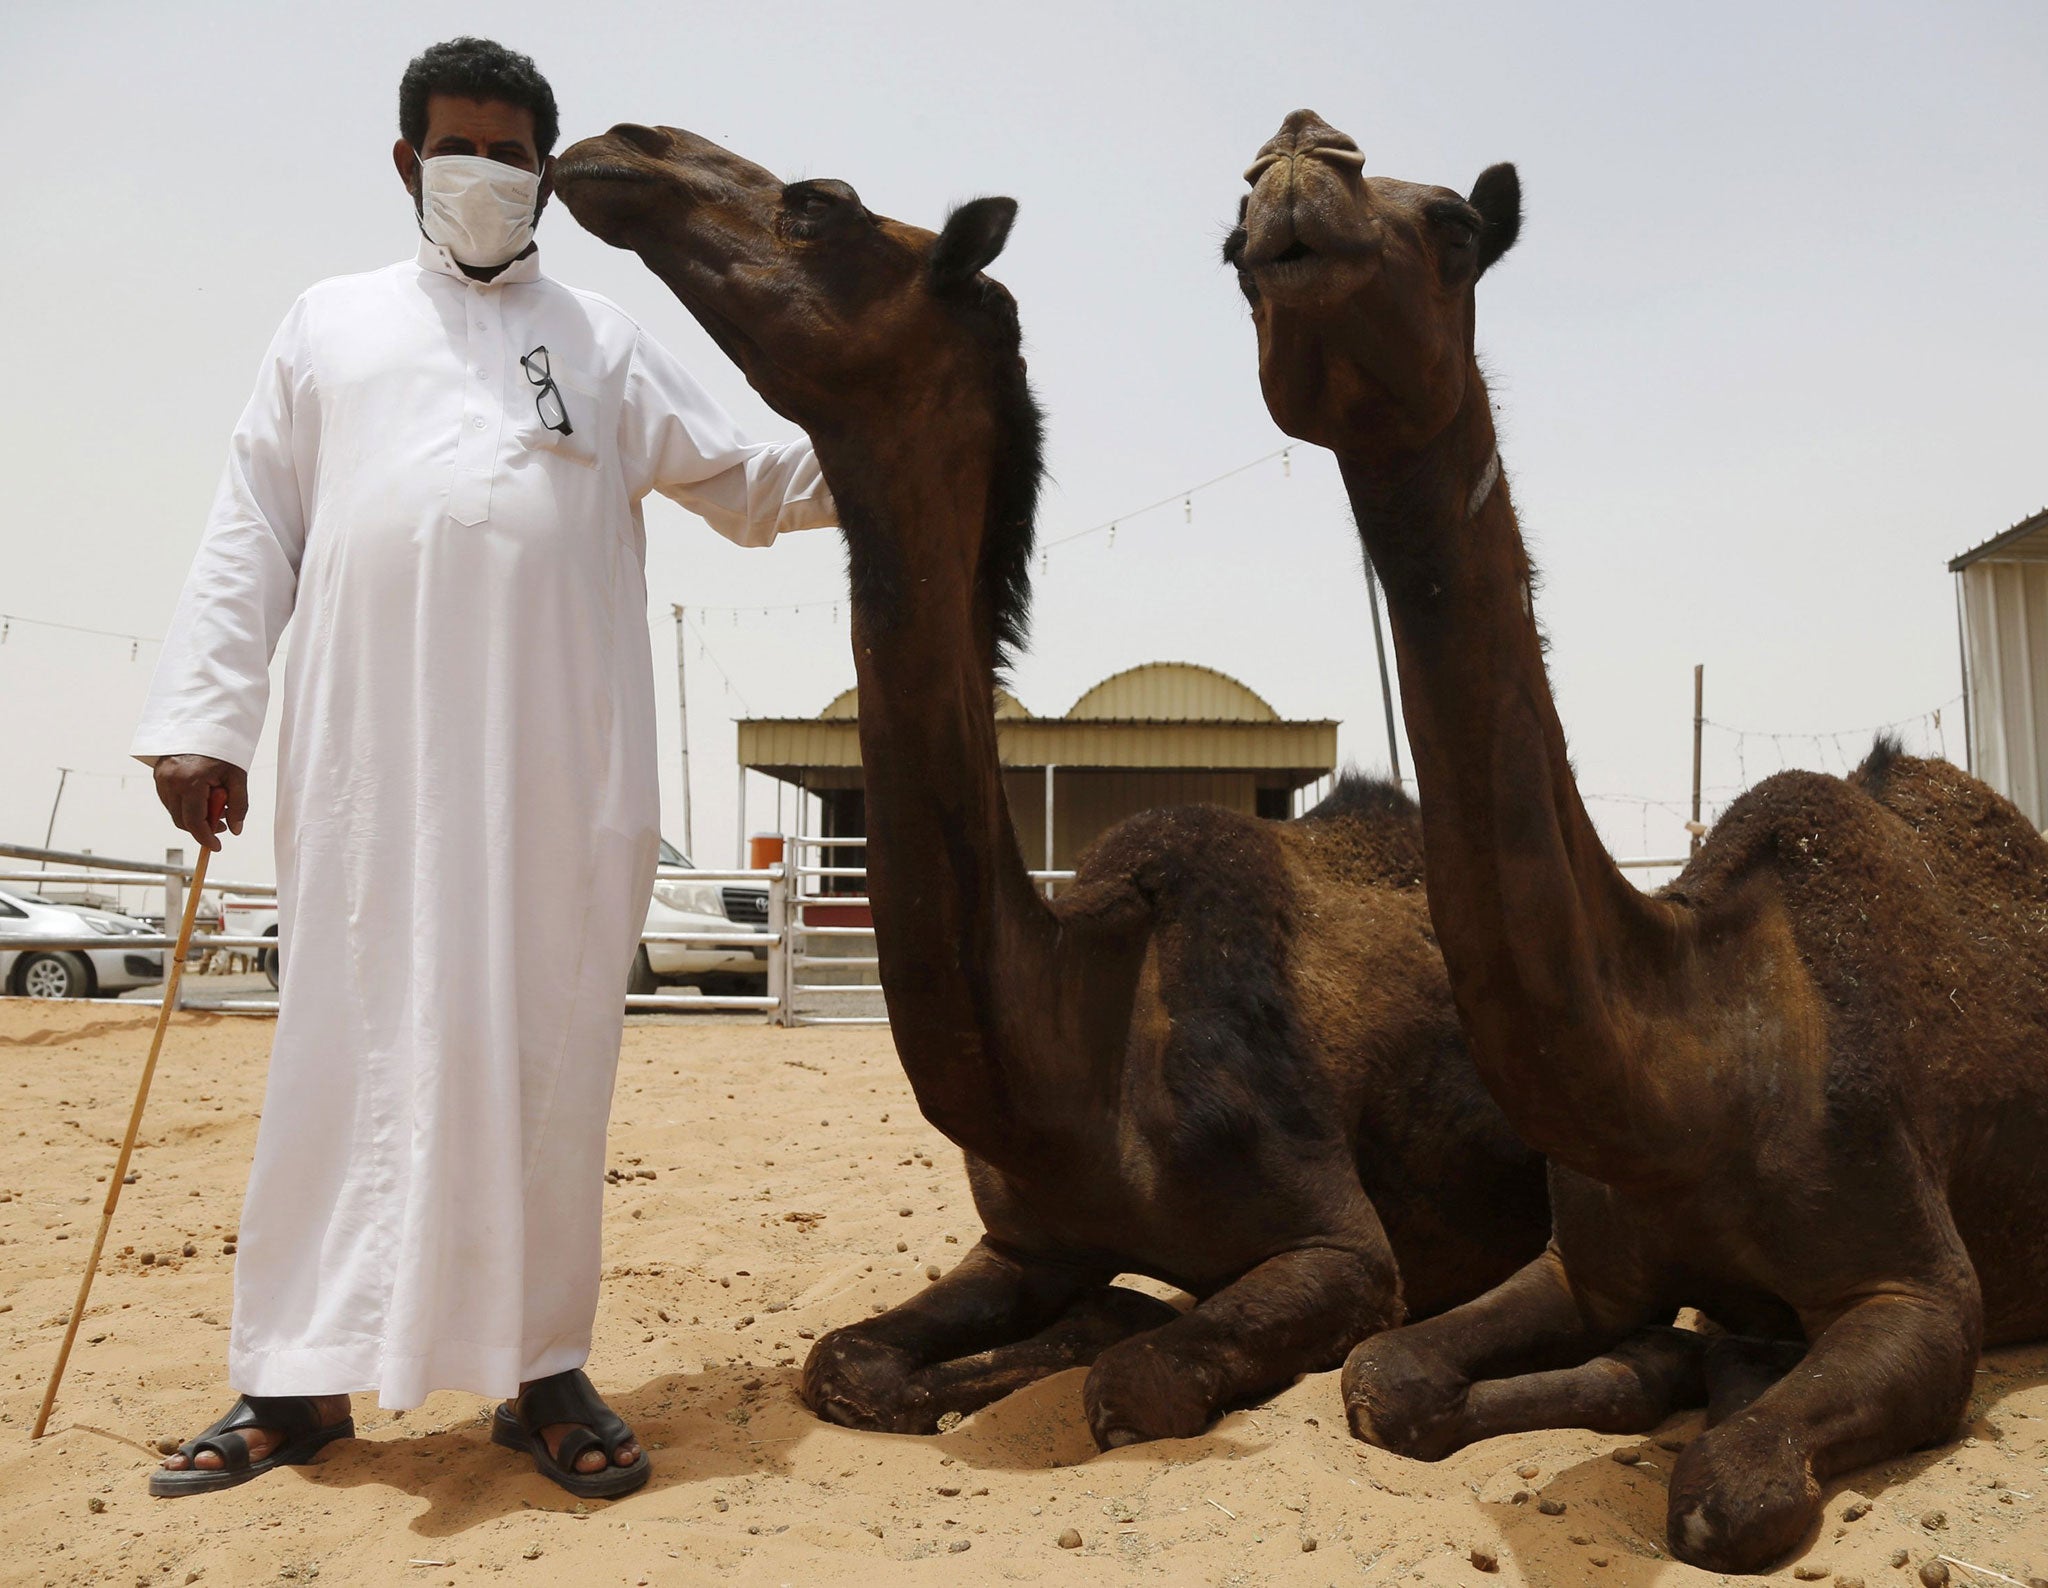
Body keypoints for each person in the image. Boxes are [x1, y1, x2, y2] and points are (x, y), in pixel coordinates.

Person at [134, 37, 833, 1499]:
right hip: (363, 775)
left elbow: (754, 483)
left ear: (549, 178)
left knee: (545, 1065)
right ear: (407, 164)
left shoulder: (604, 339)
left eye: (515, 153)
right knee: (340, 1052)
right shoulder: (325, 327)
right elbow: (251, 524)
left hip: (556, 779)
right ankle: (294, 1384)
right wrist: (205, 721)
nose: (488, 175)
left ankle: (539, 1369)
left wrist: (914, 426)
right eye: (460, 148)